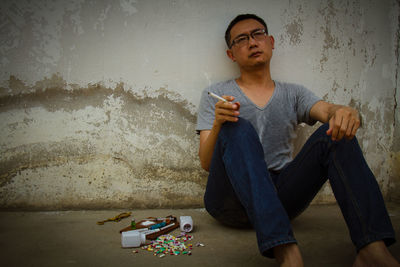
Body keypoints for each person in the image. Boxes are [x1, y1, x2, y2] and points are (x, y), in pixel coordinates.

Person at [196, 14, 398, 267]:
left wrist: (342, 112)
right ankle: (285, 251)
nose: (252, 42)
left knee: (336, 135)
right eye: (241, 39)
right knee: (236, 127)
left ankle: (372, 249)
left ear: (270, 41)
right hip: (229, 202)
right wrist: (218, 123)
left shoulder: (294, 93)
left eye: (257, 34)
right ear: (231, 55)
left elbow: (326, 111)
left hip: (282, 198)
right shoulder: (216, 95)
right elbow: (206, 163)